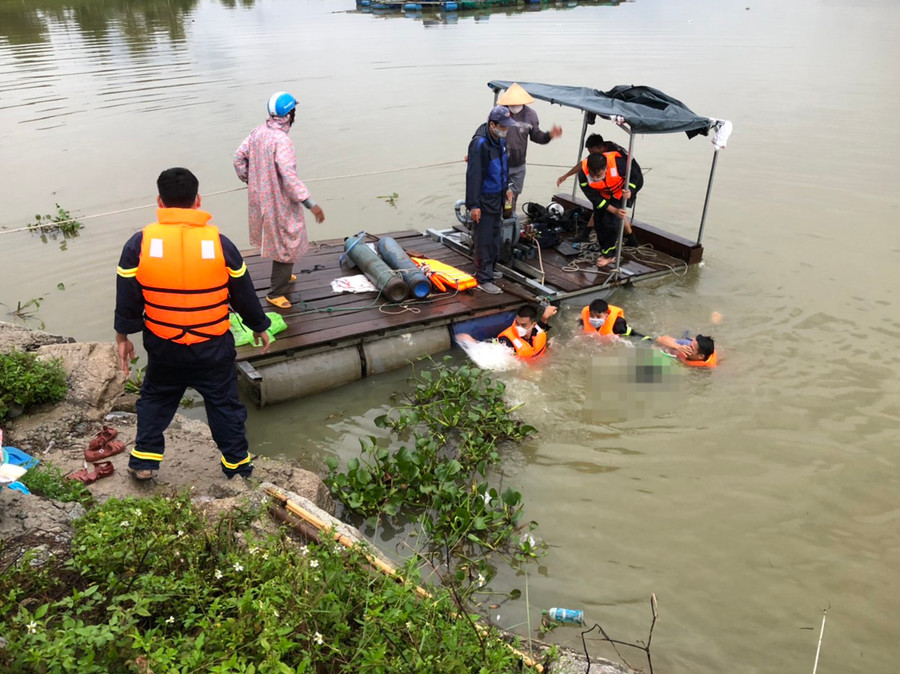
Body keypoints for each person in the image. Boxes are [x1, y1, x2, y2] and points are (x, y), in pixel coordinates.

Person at [114, 168, 272, 481]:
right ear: (198, 201)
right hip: (212, 344)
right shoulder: (220, 244)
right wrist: (259, 326)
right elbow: (243, 295)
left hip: (164, 342)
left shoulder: (139, 244)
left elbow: (127, 298)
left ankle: (144, 461)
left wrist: (123, 337)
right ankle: (238, 466)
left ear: (160, 202)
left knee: (156, 398)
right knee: (225, 403)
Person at [233, 91, 325, 310]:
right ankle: (276, 292)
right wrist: (311, 204)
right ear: (290, 114)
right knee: (287, 242)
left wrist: (251, 180)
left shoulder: (258, 132)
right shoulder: (282, 141)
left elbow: (238, 157)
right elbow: (288, 176)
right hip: (279, 202)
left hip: (260, 199)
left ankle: (284, 277)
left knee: (281, 239)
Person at [557, 135, 643, 262]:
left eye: (598, 174)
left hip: (624, 185)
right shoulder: (590, 165)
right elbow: (594, 197)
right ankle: (625, 241)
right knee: (601, 215)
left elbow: (635, 174)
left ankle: (610, 253)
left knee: (612, 220)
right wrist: (566, 175)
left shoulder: (617, 160)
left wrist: (630, 190)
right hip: (606, 189)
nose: (594, 177)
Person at [496, 83, 562, 213]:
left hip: (519, 164)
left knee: (512, 197)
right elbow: (487, 133)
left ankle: (509, 219)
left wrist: (549, 135)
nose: (514, 105)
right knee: (497, 195)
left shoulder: (531, 115)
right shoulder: (499, 112)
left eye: (517, 102)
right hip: (499, 163)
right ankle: (496, 220)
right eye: (512, 102)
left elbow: (536, 136)